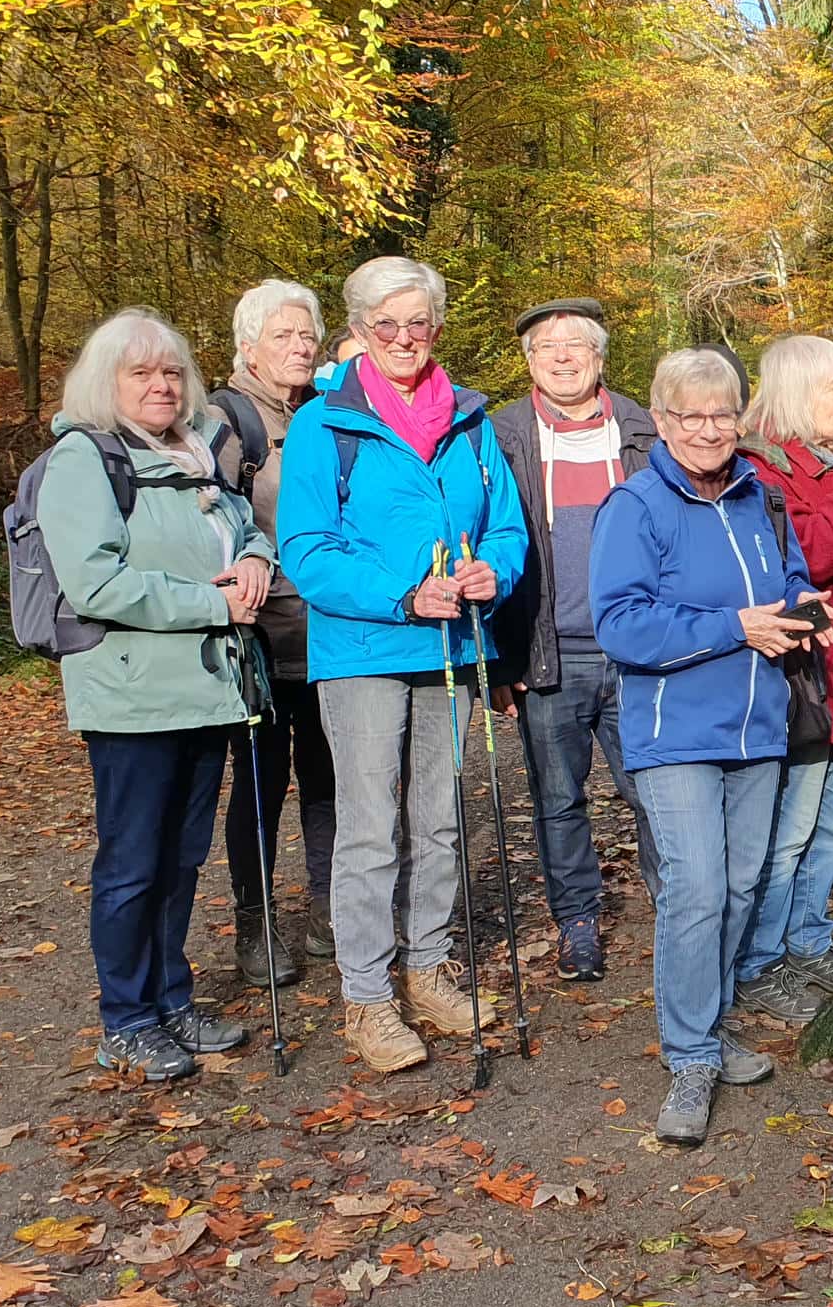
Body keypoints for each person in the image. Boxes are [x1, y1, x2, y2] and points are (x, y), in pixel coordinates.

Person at [278, 256, 528, 1075]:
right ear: (359, 330)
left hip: (452, 646)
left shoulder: (470, 420)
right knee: (368, 826)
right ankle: (367, 996)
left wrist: (494, 572)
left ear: (437, 327)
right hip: (363, 650)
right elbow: (306, 549)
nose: (403, 337)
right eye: (385, 323)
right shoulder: (325, 424)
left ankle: (427, 968)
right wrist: (403, 594)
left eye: (417, 322)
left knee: (439, 818)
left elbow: (506, 528)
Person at [591, 346, 833, 1144]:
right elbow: (620, 625)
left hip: (758, 727)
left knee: (736, 889)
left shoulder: (759, 496)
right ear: (661, 422)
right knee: (695, 889)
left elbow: (788, 577)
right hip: (675, 733)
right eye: (690, 416)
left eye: (721, 414)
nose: (707, 430)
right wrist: (735, 627)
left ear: (740, 419)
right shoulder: (635, 507)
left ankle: (711, 1020)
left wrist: (805, 606)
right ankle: (692, 1054)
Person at [37, 308, 275, 1079]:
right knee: (133, 865)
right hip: (132, 698)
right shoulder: (86, 458)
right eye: (140, 372)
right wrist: (214, 604)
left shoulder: (194, 452)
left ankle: (171, 1001)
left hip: (209, 690)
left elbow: (242, 530)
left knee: (181, 862)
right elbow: (94, 582)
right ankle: (126, 1019)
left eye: (172, 371)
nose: (162, 385)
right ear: (105, 382)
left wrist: (256, 562)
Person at [487, 297, 660, 982]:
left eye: (575, 344)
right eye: (546, 347)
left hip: (640, 652)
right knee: (558, 800)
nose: (562, 357)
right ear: (529, 361)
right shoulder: (502, 435)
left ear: (599, 355)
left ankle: (677, 908)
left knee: (654, 790)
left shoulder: (643, 428)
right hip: (547, 655)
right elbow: (486, 544)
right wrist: (501, 657)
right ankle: (577, 921)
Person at [733, 335, 833, 1022]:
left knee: (831, 826)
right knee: (790, 830)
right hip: (805, 684)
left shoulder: (819, 465)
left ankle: (808, 939)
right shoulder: (762, 470)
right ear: (800, 391)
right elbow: (811, 554)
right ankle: (761, 959)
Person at [211, 280, 337, 990]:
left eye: (307, 333)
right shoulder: (225, 422)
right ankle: (255, 926)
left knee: (328, 779)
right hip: (259, 638)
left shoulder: (326, 412)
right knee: (260, 784)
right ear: (248, 347)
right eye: (283, 335)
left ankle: (327, 910)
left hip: (330, 634)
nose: (300, 346)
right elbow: (212, 526)